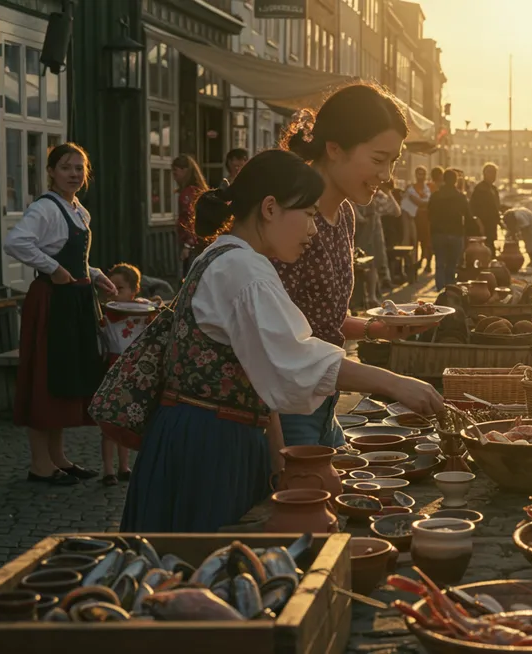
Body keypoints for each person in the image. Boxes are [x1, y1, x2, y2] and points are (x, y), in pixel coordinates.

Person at [119, 150, 444, 533]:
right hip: (210, 442)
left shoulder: (225, 254)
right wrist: (394, 383)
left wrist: (278, 464)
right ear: (270, 208)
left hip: (208, 432)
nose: (312, 230)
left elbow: (267, 373)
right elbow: (297, 358)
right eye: (307, 215)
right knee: (202, 560)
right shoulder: (243, 268)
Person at [277, 83, 442, 448]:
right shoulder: (290, 219)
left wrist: (379, 329)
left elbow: (318, 320)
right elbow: (283, 340)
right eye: (378, 160)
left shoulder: (346, 215)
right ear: (334, 149)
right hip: (285, 406)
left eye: (394, 162)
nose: (387, 175)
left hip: (324, 400)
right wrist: (390, 381)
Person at [5, 143, 115, 486]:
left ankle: (58, 458)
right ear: (51, 171)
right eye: (66, 167)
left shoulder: (78, 209)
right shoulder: (45, 208)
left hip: (75, 299)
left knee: (64, 377)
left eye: (80, 168)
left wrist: (95, 274)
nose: (74, 174)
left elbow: (73, 256)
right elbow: (16, 242)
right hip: (53, 301)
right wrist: (51, 269)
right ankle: (40, 465)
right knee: (46, 378)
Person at [98, 262, 152, 486]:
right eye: (111, 287)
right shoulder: (106, 313)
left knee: (127, 419)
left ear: (134, 290)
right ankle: (108, 470)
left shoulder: (144, 311)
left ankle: (124, 466)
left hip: (135, 369)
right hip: (113, 366)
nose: (115, 292)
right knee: (110, 421)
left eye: (120, 288)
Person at [429, 168, 473, 290]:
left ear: (443, 179)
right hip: (456, 233)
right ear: (455, 181)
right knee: (452, 265)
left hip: (438, 234)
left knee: (439, 264)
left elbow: (430, 214)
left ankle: (440, 289)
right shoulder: (460, 197)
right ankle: (450, 290)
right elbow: (468, 216)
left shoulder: (435, 196)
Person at [172, 154, 208, 278]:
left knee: (188, 277)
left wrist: (188, 245)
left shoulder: (188, 193)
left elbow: (191, 218)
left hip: (192, 243)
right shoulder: (197, 190)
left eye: (175, 173)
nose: (174, 178)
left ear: (185, 170)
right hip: (198, 241)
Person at [401, 166, 429, 272]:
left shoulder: (426, 188)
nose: (421, 176)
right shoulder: (411, 188)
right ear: (416, 175)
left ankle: (419, 263)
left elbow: (426, 202)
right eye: (419, 174)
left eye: (423, 174)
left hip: (424, 220)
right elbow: (420, 202)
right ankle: (411, 265)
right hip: (411, 218)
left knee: (424, 243)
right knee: (412, 241)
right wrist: (423, 203)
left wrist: (423, 203)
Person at [471, 163, 502, 251]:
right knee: (484, 249)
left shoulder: (494, 189)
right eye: (491, 173)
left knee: (491, 247)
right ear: (485, 174)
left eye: (495, 173)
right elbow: (473, 209)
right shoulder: (480, 189)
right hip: (483, 225)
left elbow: (496, 208)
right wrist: (479, 223)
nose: (494, 176)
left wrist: (500, 221)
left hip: (492, 225)